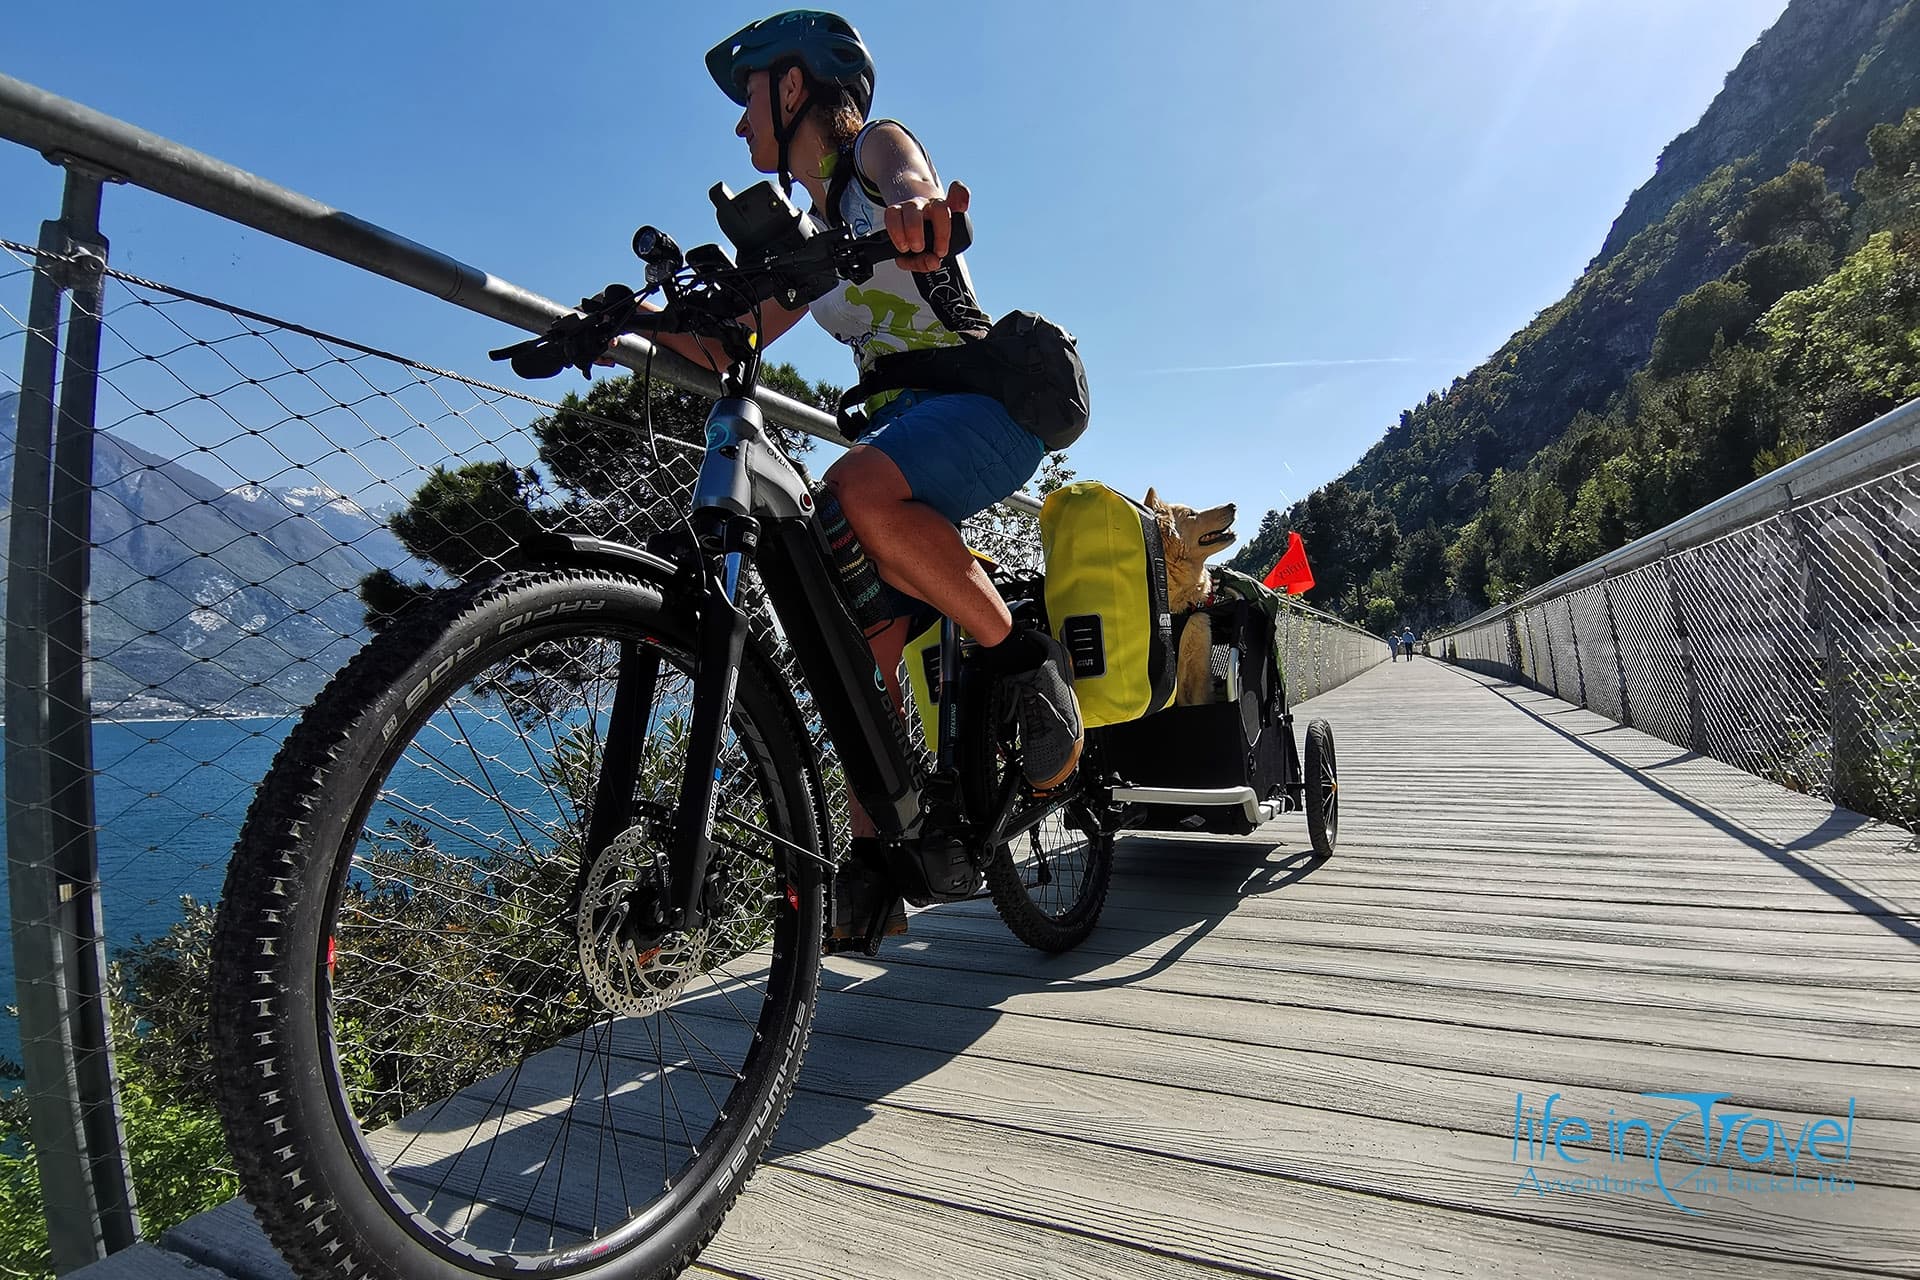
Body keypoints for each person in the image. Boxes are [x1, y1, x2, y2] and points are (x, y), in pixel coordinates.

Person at [643, 11, 1085, 939]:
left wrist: (919, 215)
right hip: (899, 441)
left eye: (746, 99)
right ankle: (887, 846)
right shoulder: (803, 238)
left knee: (849, 490)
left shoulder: (874, 157)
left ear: (792, 88)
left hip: (986, 412)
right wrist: (622, 329)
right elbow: (744, 334)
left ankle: (1024, 664)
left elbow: (911, 183)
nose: (738, 125)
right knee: (858, 647)